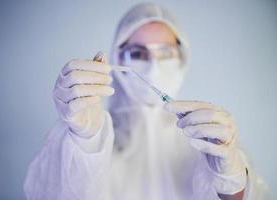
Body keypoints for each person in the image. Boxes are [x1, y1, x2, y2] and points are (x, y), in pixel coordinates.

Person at [24, 2, 268, 200]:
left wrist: (230, 181)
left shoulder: (207, 142)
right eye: (138, 53)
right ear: (118, 57)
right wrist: (84, 141)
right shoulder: (94, 135)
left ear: (183, 59)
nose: (153, 65)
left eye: (166, 53)